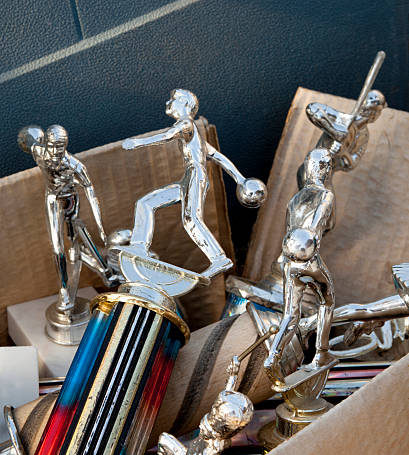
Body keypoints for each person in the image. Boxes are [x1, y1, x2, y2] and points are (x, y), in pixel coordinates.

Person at [122, 89, 266, 279]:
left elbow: (167, 136)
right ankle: (139, 248)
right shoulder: (195, 133)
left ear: (184, 104)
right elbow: (217, 157)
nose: (169, 102)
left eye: (172, 100)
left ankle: (218, 258)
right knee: (145, 203)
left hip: (195, 175)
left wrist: (137, 143)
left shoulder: (186, 124)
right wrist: (239, 178)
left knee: (191, 219)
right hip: (189, 178)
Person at [19, 124, 112, 311]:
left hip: (71, 200)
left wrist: (100, 226)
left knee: (74, 239)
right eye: (52, 146)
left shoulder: (75, 165)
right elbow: (27, 138)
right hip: (52, 200)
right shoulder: (39, 152)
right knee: (57, 246)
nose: (55, 152)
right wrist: (27, 136)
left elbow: (91, 193)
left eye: (60, 148)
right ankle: (63, 288)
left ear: (66, 146)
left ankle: (95, 264)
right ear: (46, 143)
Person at [264, 149, 336, 376]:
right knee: (328, 301)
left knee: (289, 315)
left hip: (289, 263)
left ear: (307, 169)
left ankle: (273, 355)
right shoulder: (326, 196)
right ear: (325, 170)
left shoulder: (294, 199)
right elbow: (321, 226)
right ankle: (321, 352)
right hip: (309, 259)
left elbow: (288, 231)